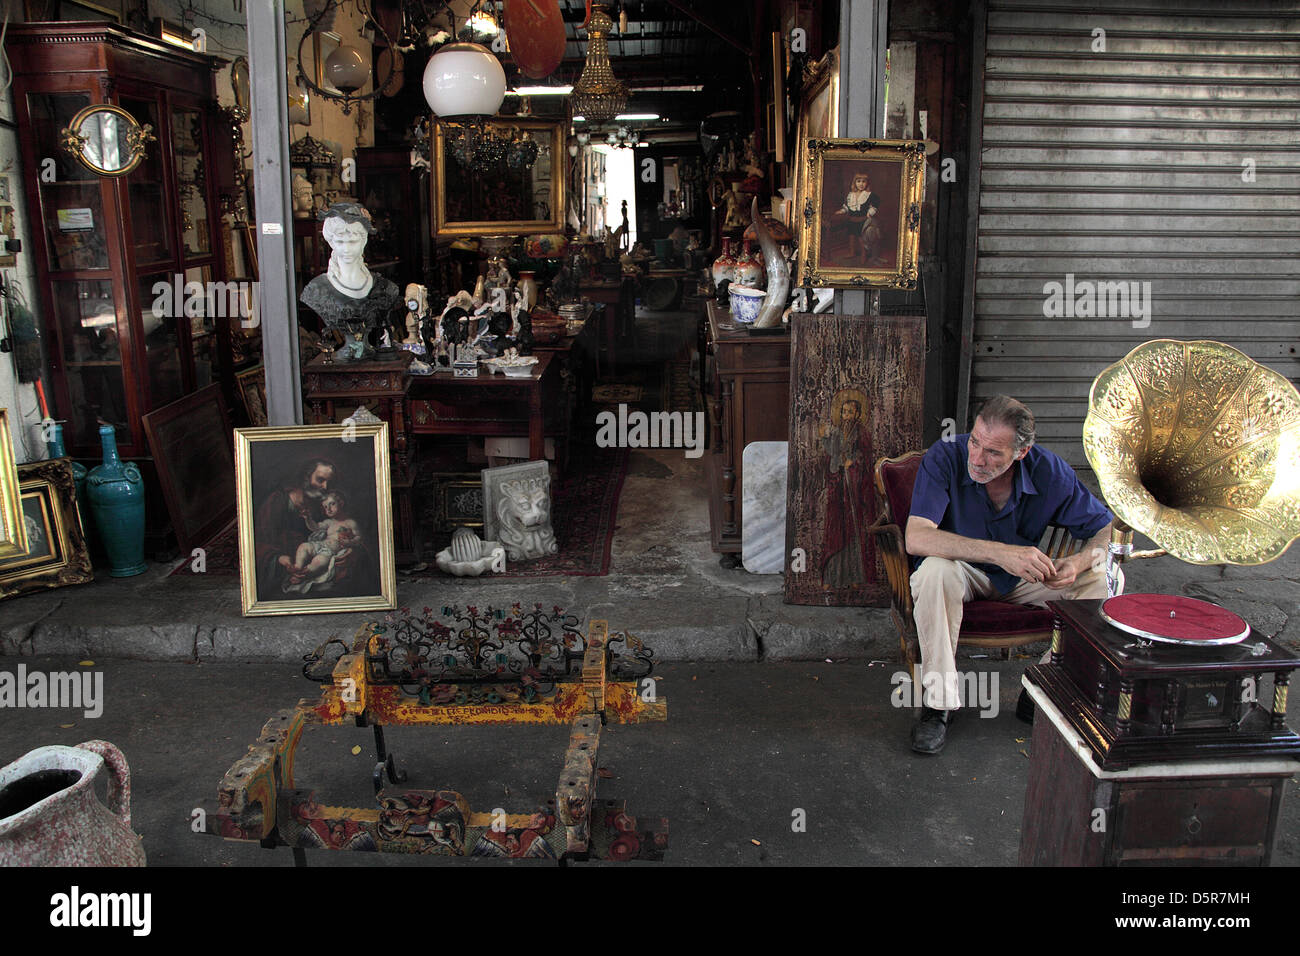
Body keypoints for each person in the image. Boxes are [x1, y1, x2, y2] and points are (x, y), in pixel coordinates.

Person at [905, 395, 1116, 754]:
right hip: (964, 573)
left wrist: (1077, 563)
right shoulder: (944, 456)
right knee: (933, 572)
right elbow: (917, 537)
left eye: (993, 453)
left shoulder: (1050, 471)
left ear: (1021, 453)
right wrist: (1000, 553)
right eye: (975, 441)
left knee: (1105, 576)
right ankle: (938, 706)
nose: (977, 458)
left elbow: (1106, 529)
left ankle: (1041, 687)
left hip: (1024, 579)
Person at [300, 202, 400, 361]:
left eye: (352, 242)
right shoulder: (316, 290)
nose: (346, 249)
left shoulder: (385, 289)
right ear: (331, 242)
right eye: (340, 242)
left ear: (363, 241)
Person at [283, 490, 361, 594]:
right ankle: (298, 567)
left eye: (332, 504)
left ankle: (302, 575)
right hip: (320, 545)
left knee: (318, 562)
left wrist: (349, 543)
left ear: (341, 503)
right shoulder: (329, 522)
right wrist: (308, 518)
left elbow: (359, 538)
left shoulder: (350, 522)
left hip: (328, 552)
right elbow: (315, 528)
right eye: (325, 507)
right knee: (303, 546)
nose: (328, 509)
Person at [830, 171, 882, 262]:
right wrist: (841, 211)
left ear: (867, 183)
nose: (861, 184)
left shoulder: (869, 195)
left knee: (861, 237)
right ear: (855, 183)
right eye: (858, 181)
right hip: (851, 219)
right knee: (852, 236)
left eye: (863, 181)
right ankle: (852, 252)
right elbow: (847, 207)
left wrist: (869, 213)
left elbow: (875, 205)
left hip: (862, 220)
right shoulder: (851, 195)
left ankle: (864, 254)